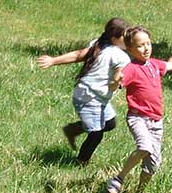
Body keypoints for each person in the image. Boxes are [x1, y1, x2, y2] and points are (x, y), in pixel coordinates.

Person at [105, 25, 172, 193]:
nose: (145, 48)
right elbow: (114, 86)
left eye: (148, 44)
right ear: (129, 49)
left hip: (156, 121)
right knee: (144, 147)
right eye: (140, 45)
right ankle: (119, 178)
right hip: (138, 118)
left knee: (152, 164)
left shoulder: (155, 65)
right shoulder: (130, 69)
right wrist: (115, 81)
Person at [37, 18, 130, 165]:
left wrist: (53, 60)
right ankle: (81, 161)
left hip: (95, 97)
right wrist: (53, 61)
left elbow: (78, 54)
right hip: (88, 97)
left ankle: (73, 129)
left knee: (110, 123)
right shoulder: (118, 55)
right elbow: (79, 55)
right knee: (96, 134)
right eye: (126, 37)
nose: (129, 39)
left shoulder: (99, 44)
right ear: (114, 38)